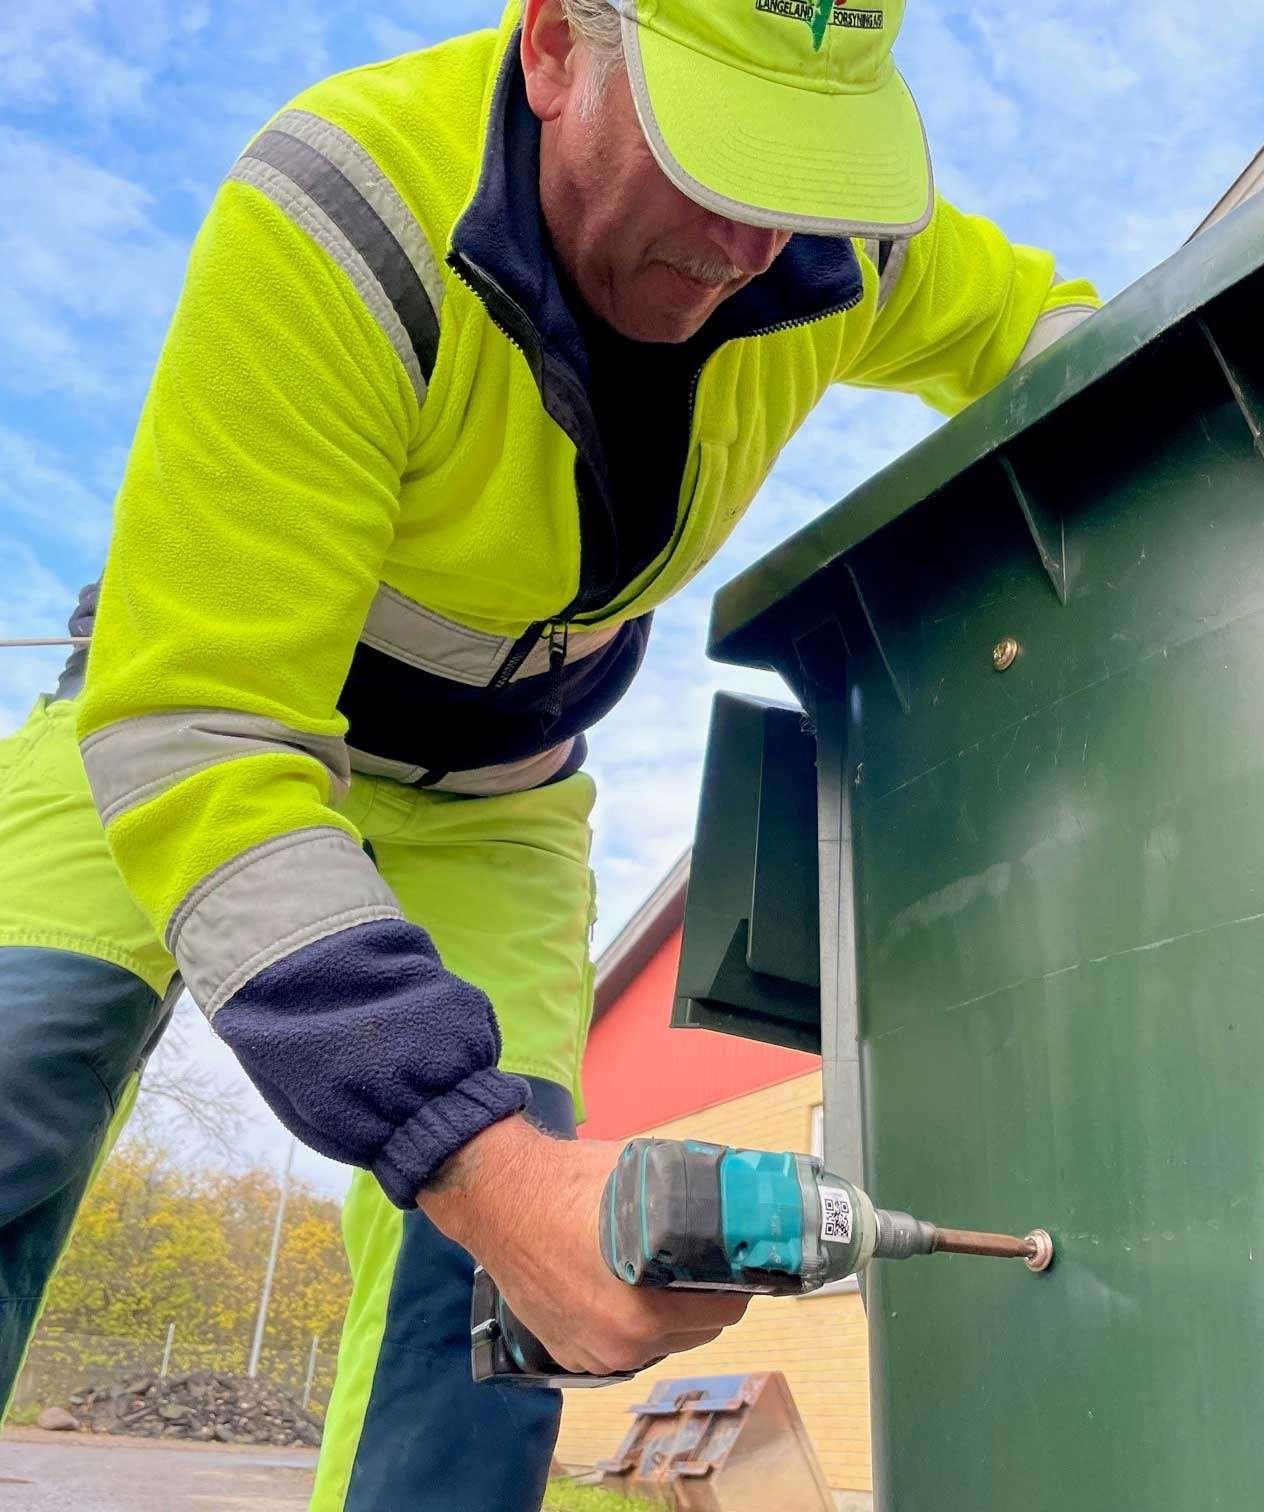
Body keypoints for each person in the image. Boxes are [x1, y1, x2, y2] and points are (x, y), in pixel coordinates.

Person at [0, 0, 1099, 1506]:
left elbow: (1052, 335)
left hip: (495, 805)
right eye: (715, 158)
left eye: (802, 174)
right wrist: (470, 1153)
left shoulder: (849, 246)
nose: (750, 244)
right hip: (188, 722)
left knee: (490, 1318)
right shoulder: (343, 211)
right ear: (552, 47)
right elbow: (200, 732)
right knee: (14, 1075)